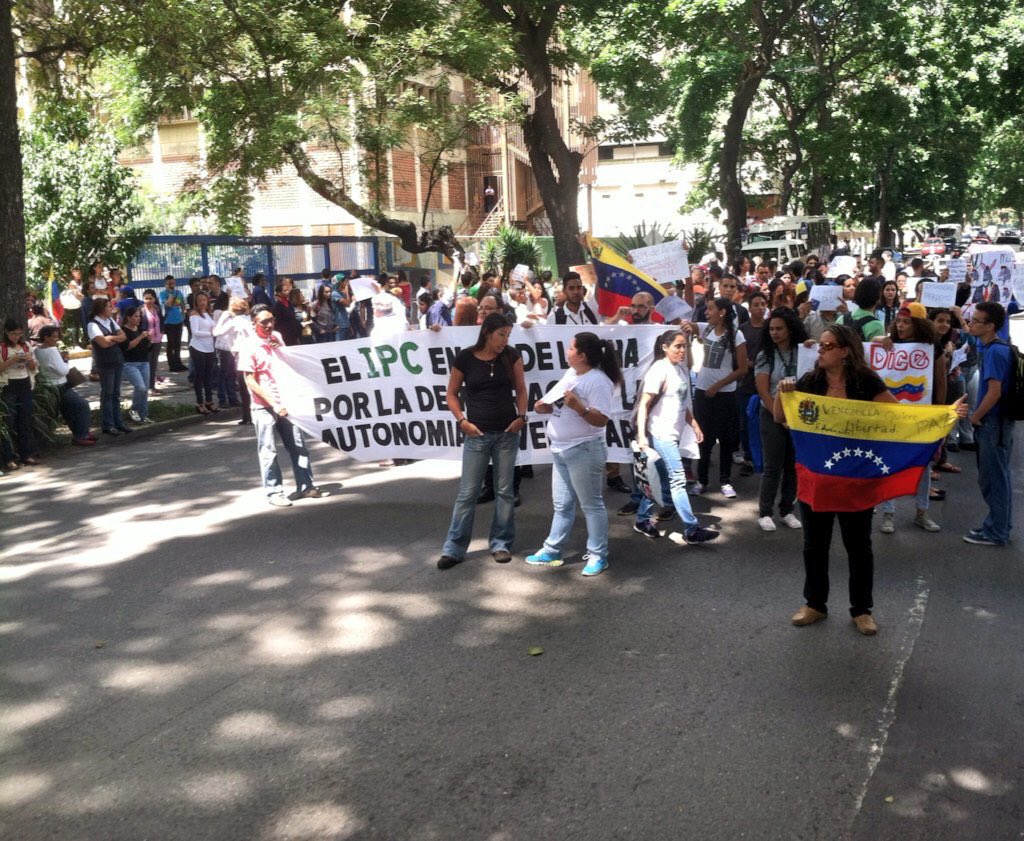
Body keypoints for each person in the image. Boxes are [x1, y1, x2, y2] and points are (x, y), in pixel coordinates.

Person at [775, 325, 899, 636]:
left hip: (854, 479)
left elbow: (896, 415)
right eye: (821, 346)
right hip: (817, 477)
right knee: (814, 545)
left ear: (845, 351)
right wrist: (782, 393)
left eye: (828, 346)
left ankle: (861, 610)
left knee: (858, 546)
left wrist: (943, 418)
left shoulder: (865, 380)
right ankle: (814, 604)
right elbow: (781, 417)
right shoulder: (811, 380)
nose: (821, 350)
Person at [526, 332, 622, 576]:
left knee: (591, 505)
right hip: (562, 450)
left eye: (571, 348)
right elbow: (558, 404)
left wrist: (579, 407)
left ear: (582, 355)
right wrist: (546, 407)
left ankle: (599, 555)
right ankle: (553, 549)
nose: (567, 351)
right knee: (562, 505)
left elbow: (600, 420)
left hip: (584, 450)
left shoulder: (598, 381)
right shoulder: (572, 373)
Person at [437, 313, 528, 569]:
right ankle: (453, 549)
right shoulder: (465, 357)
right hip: (476, 435)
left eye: (508, 335)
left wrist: (521, 416)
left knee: (505, 492)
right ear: (487, 332)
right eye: (502, 334)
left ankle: (501, 543)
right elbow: (451, 394)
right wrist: (461, 421)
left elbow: (521, 390)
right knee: (467, 493)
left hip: (508, 433)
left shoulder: (511, 356)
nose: (505, 340)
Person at [632, 329, 719, 544]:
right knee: (678, 480)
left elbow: (681, 403)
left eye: (684, 346)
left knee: (658, 479)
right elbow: (644, 404)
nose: (682, 350)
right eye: (677, 346)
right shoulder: (659, 370)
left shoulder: (680, 369)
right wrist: (642, 436)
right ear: (665, 347)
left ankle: (642, 519)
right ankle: (691, 529)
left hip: (672, 432)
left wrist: (693, 423)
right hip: (661, 434)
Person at [876, 302, 947, 534]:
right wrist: (880, 340)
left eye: (906, 321)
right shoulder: (890, 344)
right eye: (899, 321)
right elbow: (866, 350)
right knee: (890, 462)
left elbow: (940, 383)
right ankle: (888, 513)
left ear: (918, 324)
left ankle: (922, 512)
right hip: (892, 417)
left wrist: (940, 414)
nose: (901, 325)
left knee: (924, 465)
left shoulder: (932, 348)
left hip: (922, 415)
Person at [241, 305, 321, 507]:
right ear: (254, 324)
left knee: (298, 445)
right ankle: (274, 491)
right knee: (268, 450)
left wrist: (281, 351)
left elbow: (287, 365)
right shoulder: (248, 346)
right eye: (264, 322)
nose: (269, 325)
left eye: (271, 320)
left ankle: (306, 485)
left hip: (286, 401)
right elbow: (250, 381)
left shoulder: (276, 336)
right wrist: (274, 404)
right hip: (263, 406)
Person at [963, 301, 1014, 546]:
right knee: (999, 477)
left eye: (976, 321)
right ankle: (1000, 525)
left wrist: (975, 416)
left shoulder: (994, 352)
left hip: (992, 422)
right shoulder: (996, 347)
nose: (971, 324)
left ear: (991, 326)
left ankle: (996, 532)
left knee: (993, 479)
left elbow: (994, 392)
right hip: (999, 422)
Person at [689, 297, 749, 497]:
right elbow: (684, 324)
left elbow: (742, 369)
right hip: (702, 391)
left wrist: (718, 385)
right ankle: (701, 480)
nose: (707, 313)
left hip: (725, 394)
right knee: (703, 439)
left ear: (722, 312)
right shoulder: (706, 329)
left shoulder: (736, 336)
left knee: (726, 438)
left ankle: (725, 481)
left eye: (711, 309)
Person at [754, 307, 807, 531]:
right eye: (772, 329)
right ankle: (765, 512)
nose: (775, 332)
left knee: (793, 465)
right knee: (773, 465)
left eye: (779, 328)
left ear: (790, 329)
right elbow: (764, 392)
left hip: (799, 416)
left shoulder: (803, 351)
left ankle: (787, 510)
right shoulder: (765, 355)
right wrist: (779, 417)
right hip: (772, 415)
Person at [34, 324, 95, 446]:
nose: (57, 339)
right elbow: (63, 370)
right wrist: (66, 361)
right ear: (46, 337)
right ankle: (81, 434)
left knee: (68, 411)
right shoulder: (52, 351)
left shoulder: (37, 350)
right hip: (60, 385)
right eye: (55, 337)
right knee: (82, 405)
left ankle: (80, 432)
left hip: (47, 385)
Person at [87, 298, 132, 436]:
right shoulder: (93, 324)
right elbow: (102, 343)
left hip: (117, 360)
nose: (111, 309)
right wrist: (114, 339)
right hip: (105, 362)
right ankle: (108, 424)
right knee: (108, 393)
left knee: (116, 393)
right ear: (101, 309)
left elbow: (123, 336)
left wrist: (110, 338)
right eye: (108, 306)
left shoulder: (110, 321)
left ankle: (118, 422)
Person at [0, 318, 40, 469]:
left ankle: (27, 454)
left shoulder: (26, 346)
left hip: (25, 383)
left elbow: (33, 367)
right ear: (6, 333)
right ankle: (8, 457)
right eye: (13, 334)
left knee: (25, 421)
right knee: (9, 421)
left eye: (18, 334)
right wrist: (13, 359)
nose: (16, 337)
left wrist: (29, 360)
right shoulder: (3, 348)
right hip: (9, 385)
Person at [735, 290, 768, 475]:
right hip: (745, 383)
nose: (760, 308)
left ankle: (764, 457)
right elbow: (735, 353)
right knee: (745, 423)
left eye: (763, 304)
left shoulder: (771, 328)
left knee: (765, 422)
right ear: (750, 307)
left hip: (765, 383)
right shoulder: (742, 329)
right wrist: (744, 363)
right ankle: (748, 458)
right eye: (756, 304)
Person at [213, 297, 250, 410]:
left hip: (234, 350)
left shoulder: (235, 320)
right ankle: (226, 398)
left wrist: (223, 318)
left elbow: (216, 332)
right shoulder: (247, 319)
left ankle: (233, 399)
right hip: (228, 348)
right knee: (227, 374)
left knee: (230, 374)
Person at [119, 306, 153, 424]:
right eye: (135, 316)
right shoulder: (123, 331)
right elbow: (128, 346)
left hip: (144, 362)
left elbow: (146, 348)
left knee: (145, 390)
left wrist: (149, 340)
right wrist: (141, 337)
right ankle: (133, 410)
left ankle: (143, 415)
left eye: (139, 316)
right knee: (140, 387)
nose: (138, 319)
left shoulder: (140, 330)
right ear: (128, 317)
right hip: (130, 363)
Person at [189, 292, 218, 414]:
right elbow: (195, 332)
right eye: (200, 300)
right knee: (199, 376)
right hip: (198, 347)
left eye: (204, 300)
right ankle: (199, 402)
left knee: (208, 375)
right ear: (196, 302)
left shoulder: (208, 314)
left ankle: (209, 401)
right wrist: (210, 334)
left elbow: (213, 327)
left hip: (209, 347)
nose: (202, 303)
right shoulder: (194, 314)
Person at [160, 276, 188, 372]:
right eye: (169, 284)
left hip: (178, 321)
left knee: (178, 344)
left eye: (173, 283)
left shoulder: (179, 293)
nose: (172, 285)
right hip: (169, 321)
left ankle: (178, 362)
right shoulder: (162, 294)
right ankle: (172, 365)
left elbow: (182, 305)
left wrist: (183, 317)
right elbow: (167, 304)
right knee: (171, 344)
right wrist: (170, 294)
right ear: (166, 284)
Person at [140, 289, 163, 393]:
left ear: (154, 299)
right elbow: (138, 325)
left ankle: (152, 386)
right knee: (147, 364)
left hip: (157, 339)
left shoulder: (157, 309)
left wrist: (161, 332)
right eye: (146, 298)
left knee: (154, 363)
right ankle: (146, 387)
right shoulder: (141, 310)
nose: (148, 301)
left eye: (150, 298)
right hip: (146, 341)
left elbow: (161, 320)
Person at [272, 279, 300, 346]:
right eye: (285, 291)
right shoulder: (277, 306)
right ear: (279, 293)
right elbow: (277, 323)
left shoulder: (289, 303)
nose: (288, 292)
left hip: (293, 334)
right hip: (285, 335)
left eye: (288, 290)